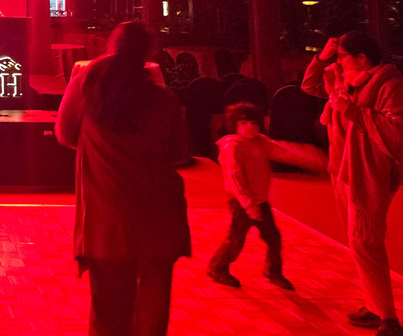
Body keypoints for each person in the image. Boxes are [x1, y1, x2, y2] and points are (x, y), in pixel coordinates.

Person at [55, 21, 190, 336]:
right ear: (147, 54)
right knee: (152, 316)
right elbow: (181, 153)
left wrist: (95, 145)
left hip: (109, 221)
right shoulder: (163, 99)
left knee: (109, 316)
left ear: (109, 48)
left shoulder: (88, 87)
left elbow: (64, 133)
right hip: (161, 220)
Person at [302, 32, 403, 336]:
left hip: (367, 173)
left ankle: (389, 319)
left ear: (362, 57)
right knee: (357, 243)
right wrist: (322, 57)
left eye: (342, 57)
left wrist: (350, 110)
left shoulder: (390, 86)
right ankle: (374, 305)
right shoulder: (346, 81)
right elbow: (309, 85)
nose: (338, 62)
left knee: (367, 243)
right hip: (342, 169)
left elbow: (397, 133)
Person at [206, 102, 326, 290]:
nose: (250, 127)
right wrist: (249, 205)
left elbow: (283, 150)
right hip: (241, 202)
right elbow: (234, 179)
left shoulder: (260, 142)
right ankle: (217, 267)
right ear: (234, 125)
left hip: (260, 200)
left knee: (273, 238)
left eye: (254, 123)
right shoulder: (232, 147)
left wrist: (311, 157)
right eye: (244, 123)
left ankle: (273, 271)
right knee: (236, 240)